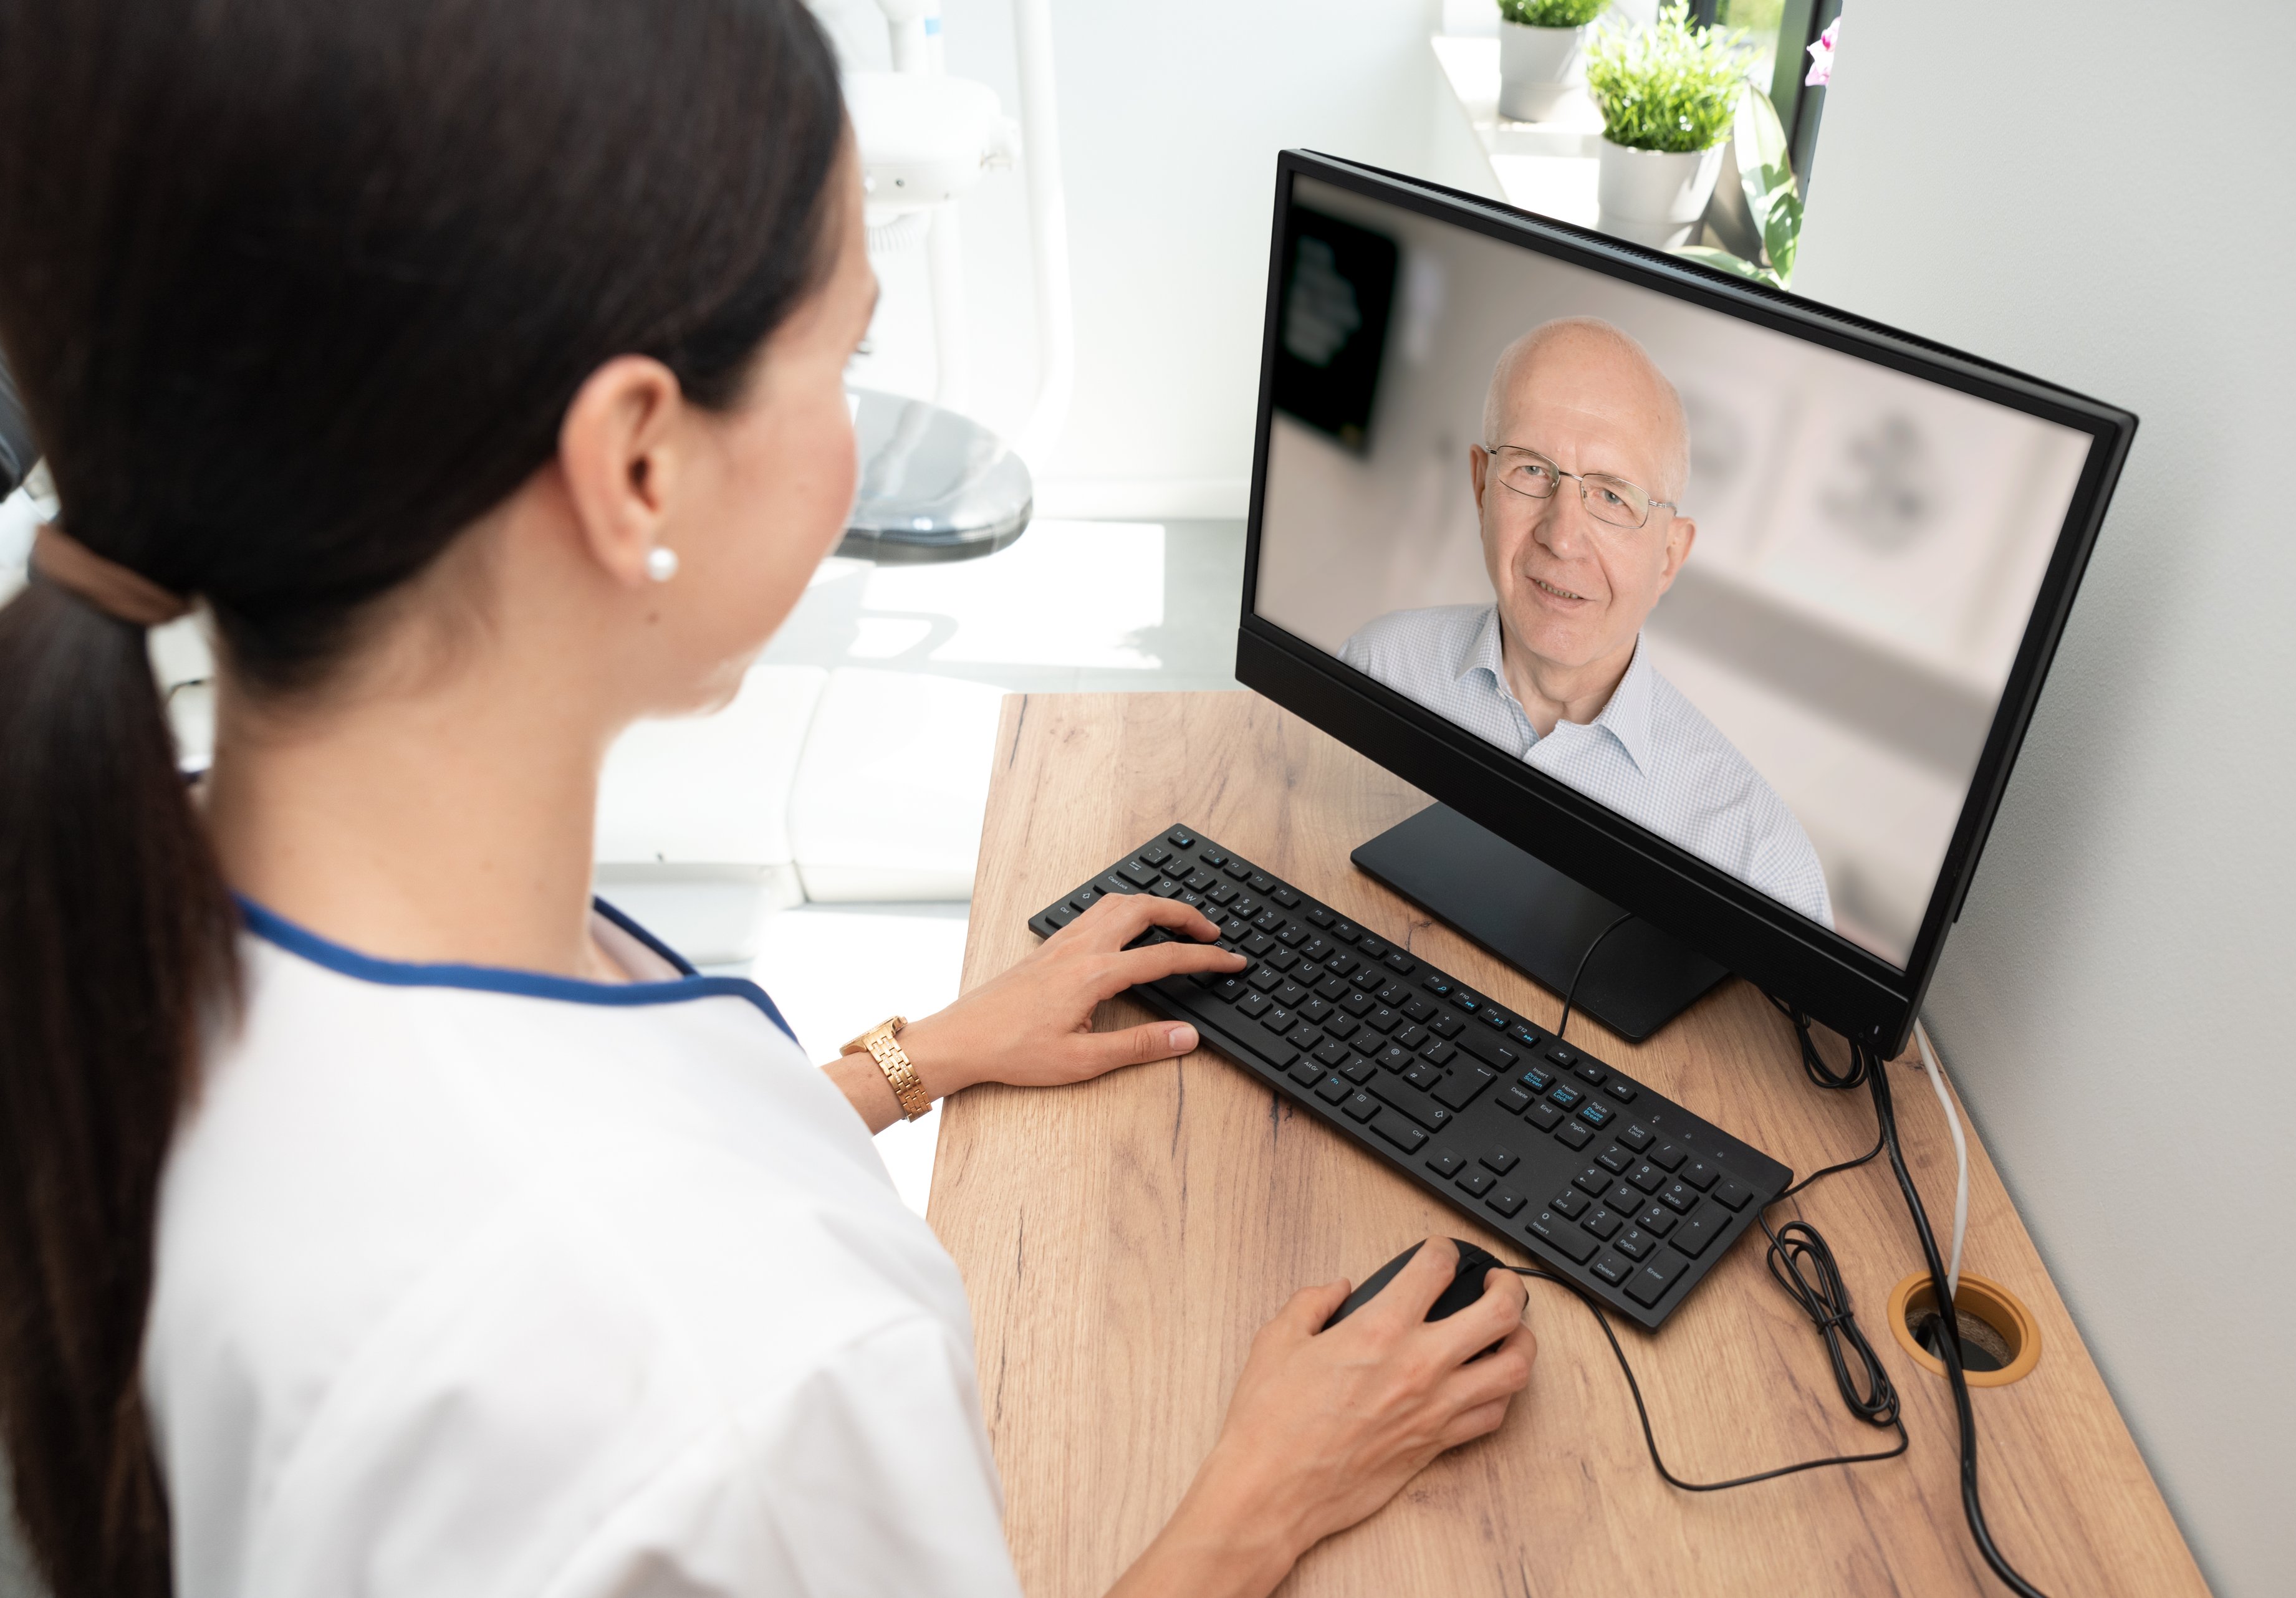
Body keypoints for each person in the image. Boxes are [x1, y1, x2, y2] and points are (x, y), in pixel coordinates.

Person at [0, 4, 1536, 1596]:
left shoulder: (128, 881)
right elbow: (642, 1305)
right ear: (638, 467)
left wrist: (912, 1057)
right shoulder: (753, 1380)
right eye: (845, 354)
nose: (860, 424)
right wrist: (1262, 1495)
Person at [1340, 317, 1833, 926]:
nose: (1562, 536)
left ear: (1670, 556)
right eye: (1530, 470)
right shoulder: (1377, 667)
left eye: (1611, 496)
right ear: (1480, 487)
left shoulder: (1759, 856)